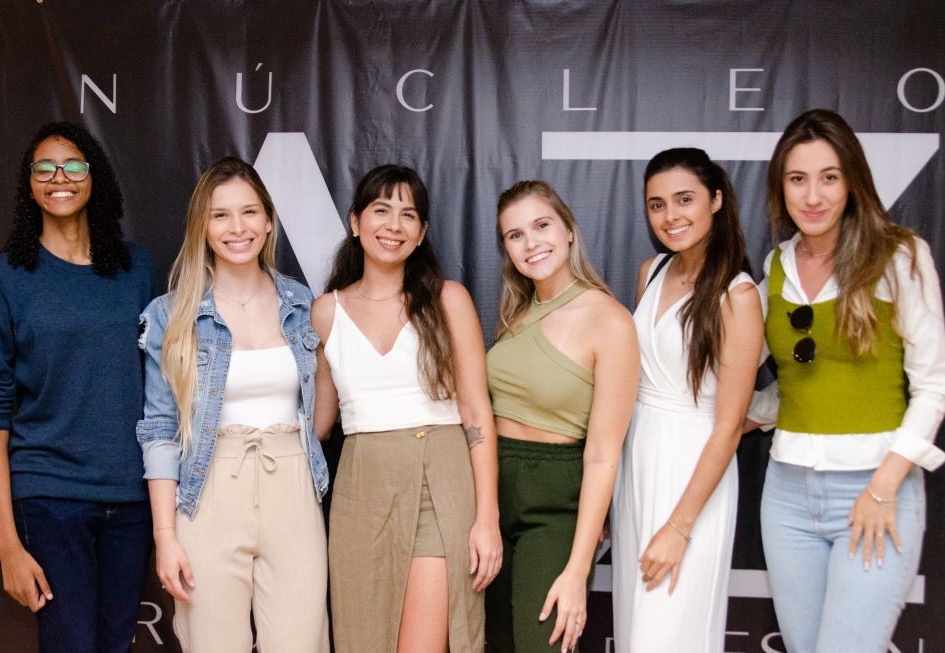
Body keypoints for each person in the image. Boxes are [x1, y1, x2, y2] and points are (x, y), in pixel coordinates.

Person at [748, 109, 945, 652]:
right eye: (798, 179)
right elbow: (794, 383)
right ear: (780, 187)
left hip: (874, 490)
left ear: (853, 181)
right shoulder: (774, 264)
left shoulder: (900, 254)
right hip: (787, 495)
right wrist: (735, 416)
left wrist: (883, 488)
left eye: (829, 177)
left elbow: (933, 385)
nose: (813, 195)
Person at [137, 157, 330, 652]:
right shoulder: (170, 313)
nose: (237, 228)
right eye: (220, 215)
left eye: (249, 212)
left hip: (293, 488)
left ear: (269, 221)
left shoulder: (304, 305)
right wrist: (166, 534)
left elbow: (325, 410)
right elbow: (159, 427)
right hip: (209, 491)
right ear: (202, 225)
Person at [0, 122, 155, 651]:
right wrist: (8, 543)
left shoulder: (135, 268)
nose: (60, 177)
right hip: (50, 495)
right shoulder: (4, 277)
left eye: (74, 165)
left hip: (131, 497)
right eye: (45, 168)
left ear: (93, 177)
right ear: (29, 183)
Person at [314, 164, 501, 652]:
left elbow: (476, 412)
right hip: (360, 487)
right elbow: (320, 423)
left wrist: (487, 517)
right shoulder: (325, 311)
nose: (393, 225)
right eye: (381, 210)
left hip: (436, 479)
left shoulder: (447, 299)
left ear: (421, 234)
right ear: (356, 222)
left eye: (408, 214)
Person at [610, 149, 763, 651]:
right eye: (656, 205)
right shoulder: (650, 270)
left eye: (684, 200)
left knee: (669, 633)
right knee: (637, 630)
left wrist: (679, 526)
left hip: (693, 474)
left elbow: (728, 424)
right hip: (638, 461)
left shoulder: (738, 295)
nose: (670, 216)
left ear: (716, 200)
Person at [484, 180, 639, 653]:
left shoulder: (609, 319)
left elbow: (602, 457)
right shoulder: (517, 313)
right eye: (515, 235)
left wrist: (577, 569)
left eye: (541, 225)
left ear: (569, 230)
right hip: (491, 499)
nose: (531, 244)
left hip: (553, 507)